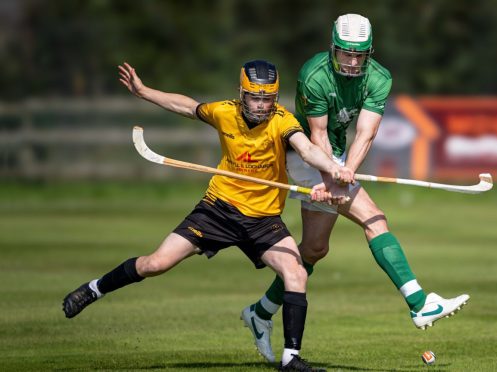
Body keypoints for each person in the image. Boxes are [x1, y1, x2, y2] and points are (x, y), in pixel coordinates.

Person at [62, 59, 355, 371]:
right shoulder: (224, 112)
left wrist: (335, 171)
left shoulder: (282, 122)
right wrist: (144, 91)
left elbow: (308, 150)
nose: (261, 105)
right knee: (155, 263)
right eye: (255, 97)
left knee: (296, 273)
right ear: (241, 94)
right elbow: (189, 106)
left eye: (267, 98)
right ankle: (94, 289)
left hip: (263, 220)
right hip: (218, 210)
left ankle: (290, 359)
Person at [241, 14, 470, 362]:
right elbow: (316, 136)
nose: (351, 61)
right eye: (345, 53)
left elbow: (366, 133)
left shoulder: (379, 78)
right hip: (302, 153)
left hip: (334, 154)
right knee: (374, 219)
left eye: (359, 55)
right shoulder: (314, 75)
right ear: (333, 48)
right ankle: (419, 303)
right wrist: (333, 177)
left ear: (369, 53)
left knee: (315, 249)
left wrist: (348, 169)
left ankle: (261, 312)